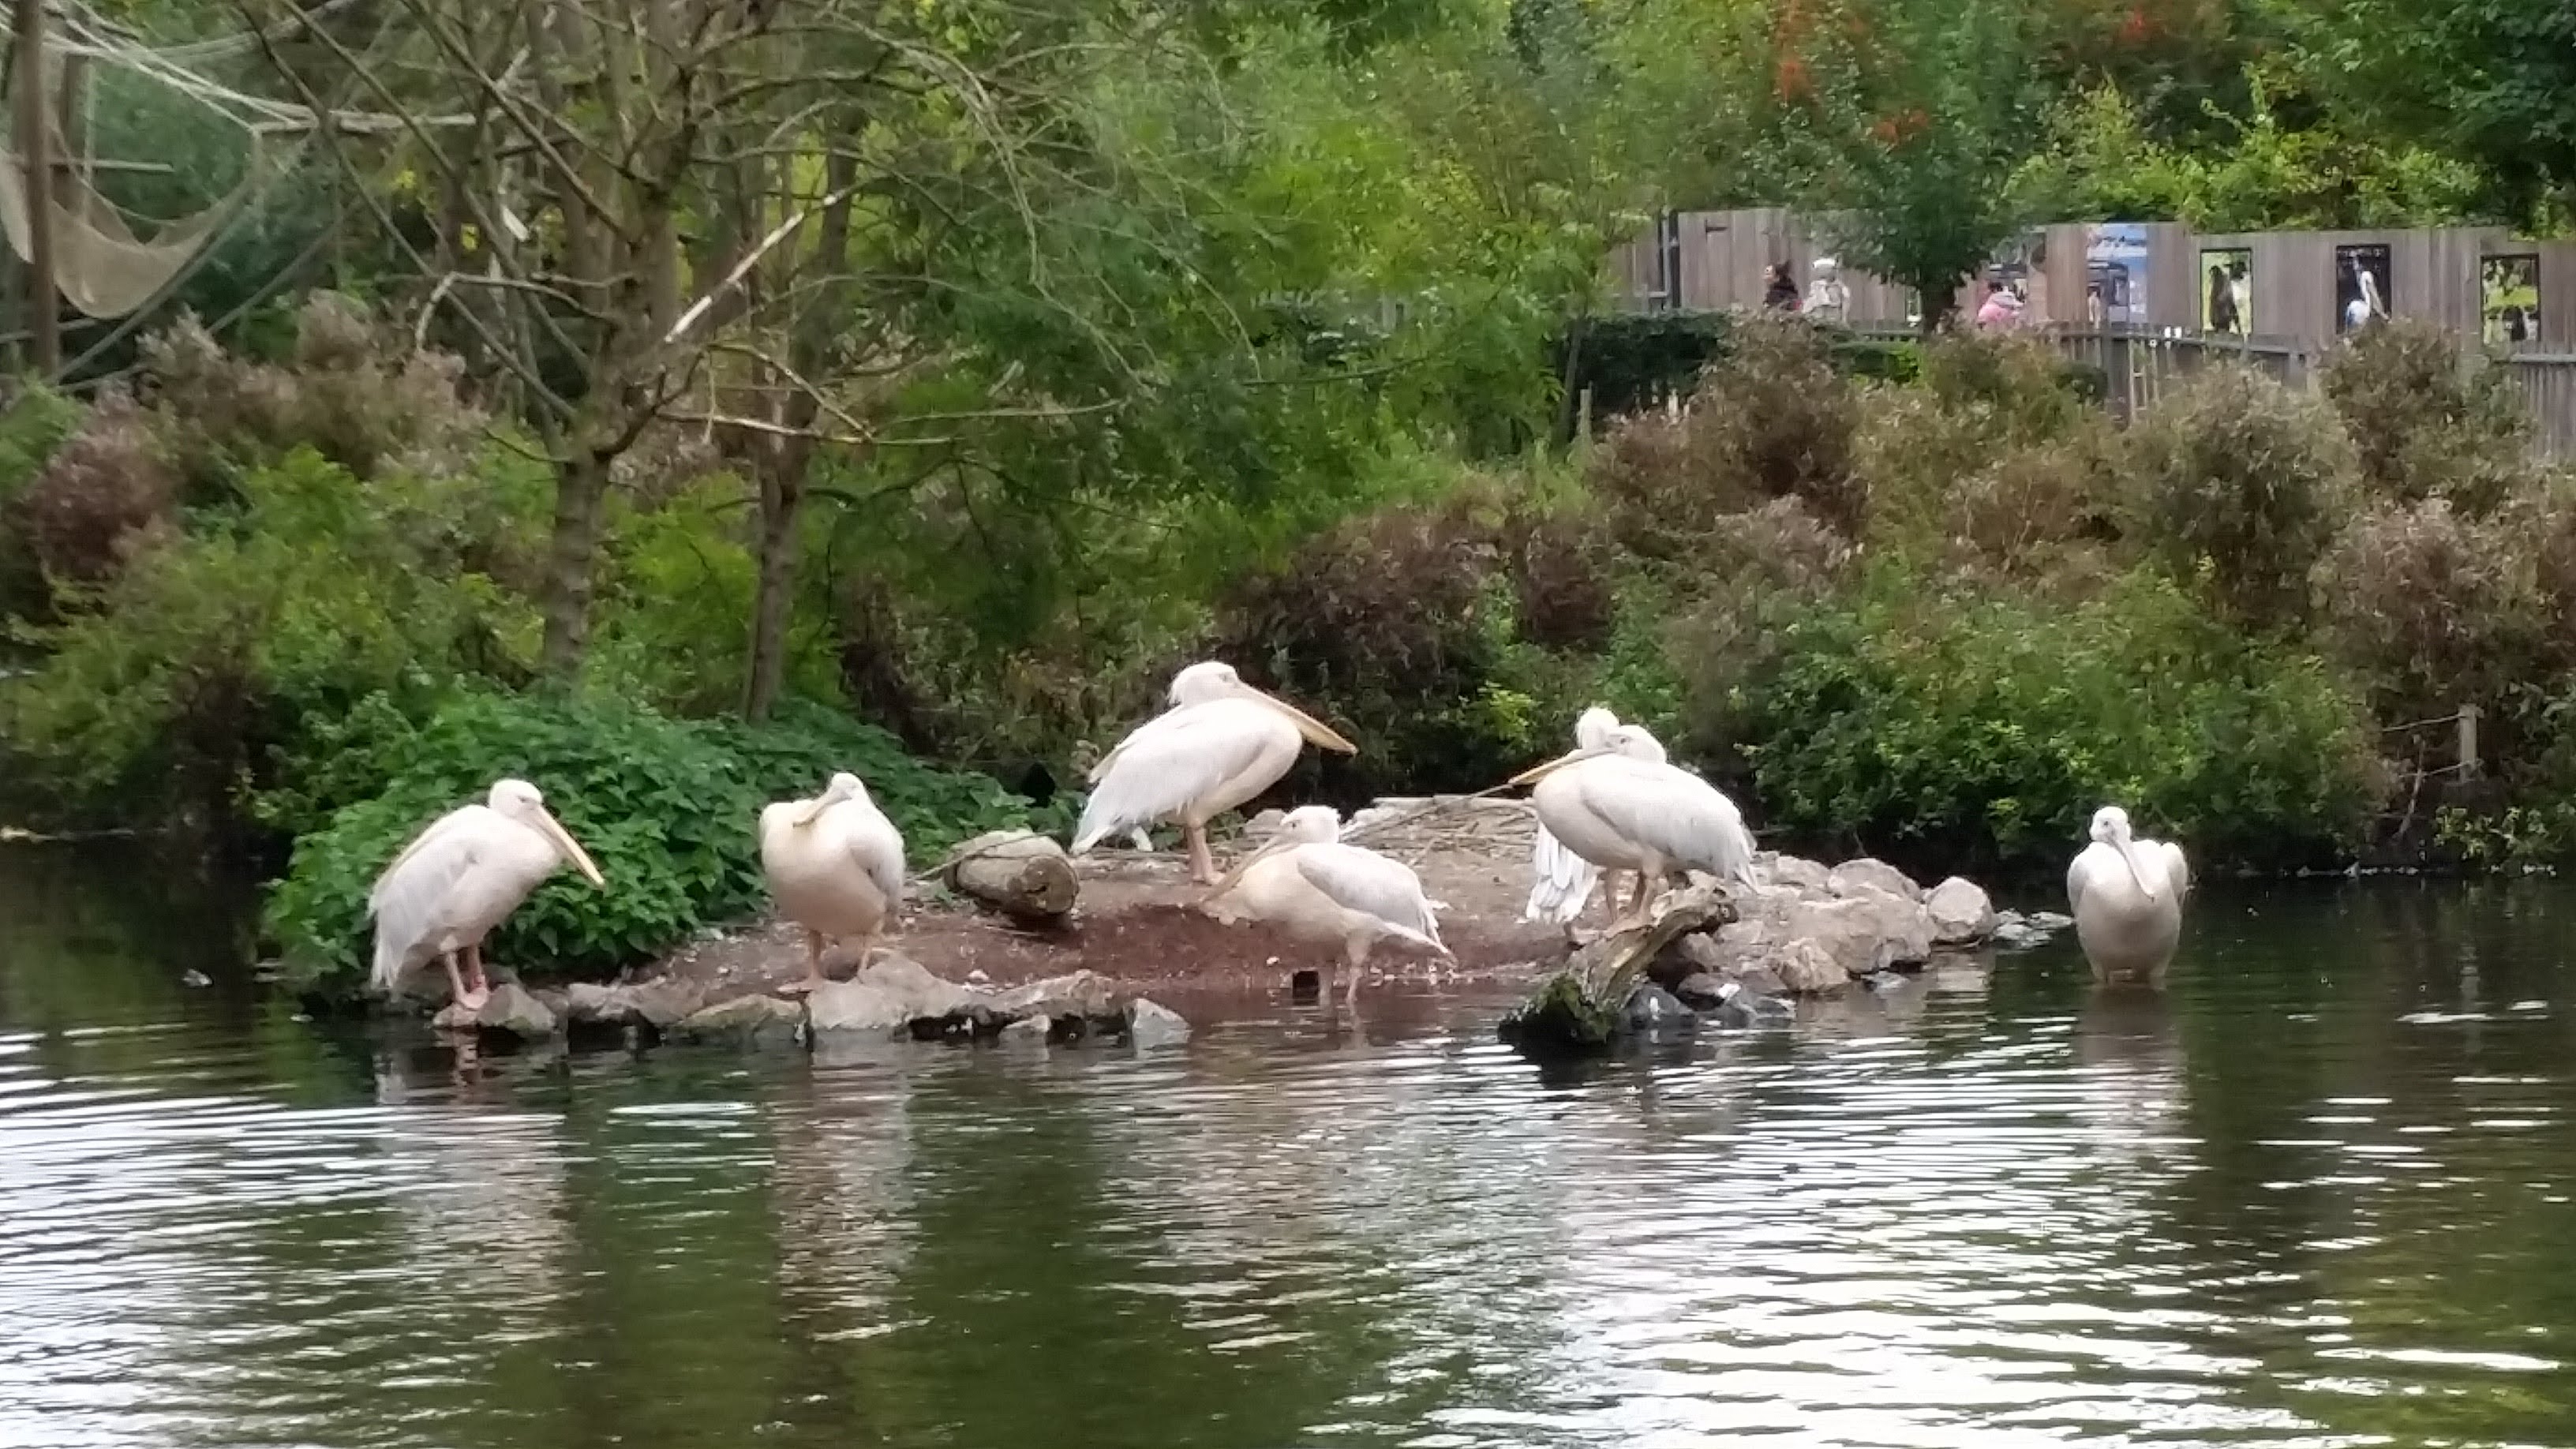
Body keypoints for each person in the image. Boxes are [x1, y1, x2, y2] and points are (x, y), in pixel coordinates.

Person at [1807, 256, 1848, 324]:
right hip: (1818, 315)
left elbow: (1846, 301)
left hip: (1833, 314)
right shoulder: (1815, 285)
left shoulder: (1840, 287)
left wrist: (1844, 318)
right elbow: (1811, 302)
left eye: (1828, 270)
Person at [2206, 263, 2240, 334]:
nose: (2212, 278)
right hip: (2218, 317)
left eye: (2213, 276)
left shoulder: (2224, 282)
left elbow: (2228, 299)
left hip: (2224, 316)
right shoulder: (2216, 285)